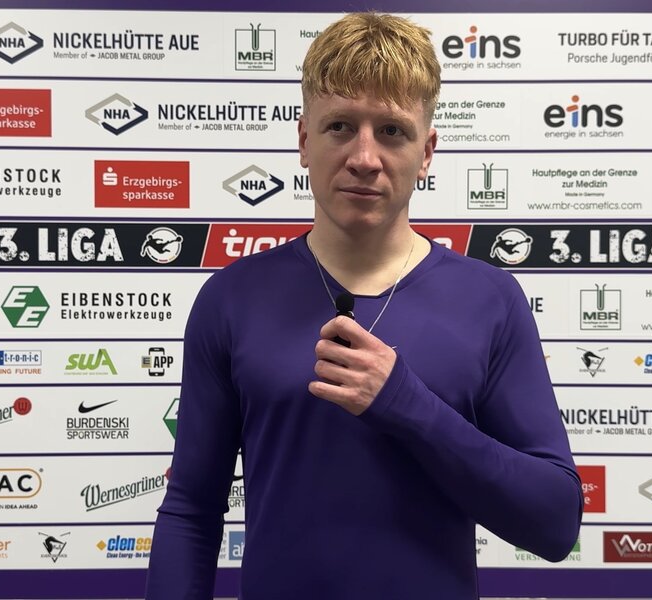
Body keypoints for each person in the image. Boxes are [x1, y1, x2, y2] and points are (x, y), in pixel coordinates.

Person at [146, 12, 581, 599]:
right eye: (341, 127)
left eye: (393, 131)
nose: (365, 157)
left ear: (426, 153)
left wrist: (406, 404)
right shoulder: (232, 298)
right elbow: (191, 511)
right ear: (305, 141)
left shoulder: (489, 301)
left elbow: (554, 523)